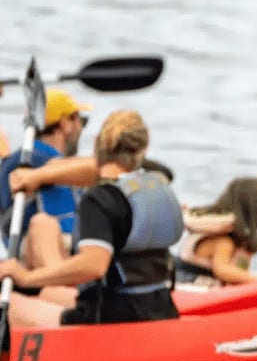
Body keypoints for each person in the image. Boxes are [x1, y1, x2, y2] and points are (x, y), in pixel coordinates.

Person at [0, 110, 184, 327]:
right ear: (143, 149)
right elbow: (100, 171)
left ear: (97, 144)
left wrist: (25, 277)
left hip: (106, 317)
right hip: (159, 306)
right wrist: (37, 176)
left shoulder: (99, 200)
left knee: (12, 305)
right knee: (49, 293)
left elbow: (94, 265)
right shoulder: (156, 184)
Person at [0, 88, 90, 267]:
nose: (81, 128)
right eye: (81, 120)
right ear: (65, 123)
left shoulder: (25, 159)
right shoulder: (32, 158)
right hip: (42, 251)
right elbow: (94, 170)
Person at [176, 177, 257, 286]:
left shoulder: (237, 242)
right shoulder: (223, 241)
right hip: (194, 288)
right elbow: (222, 270)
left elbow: (239, 268)